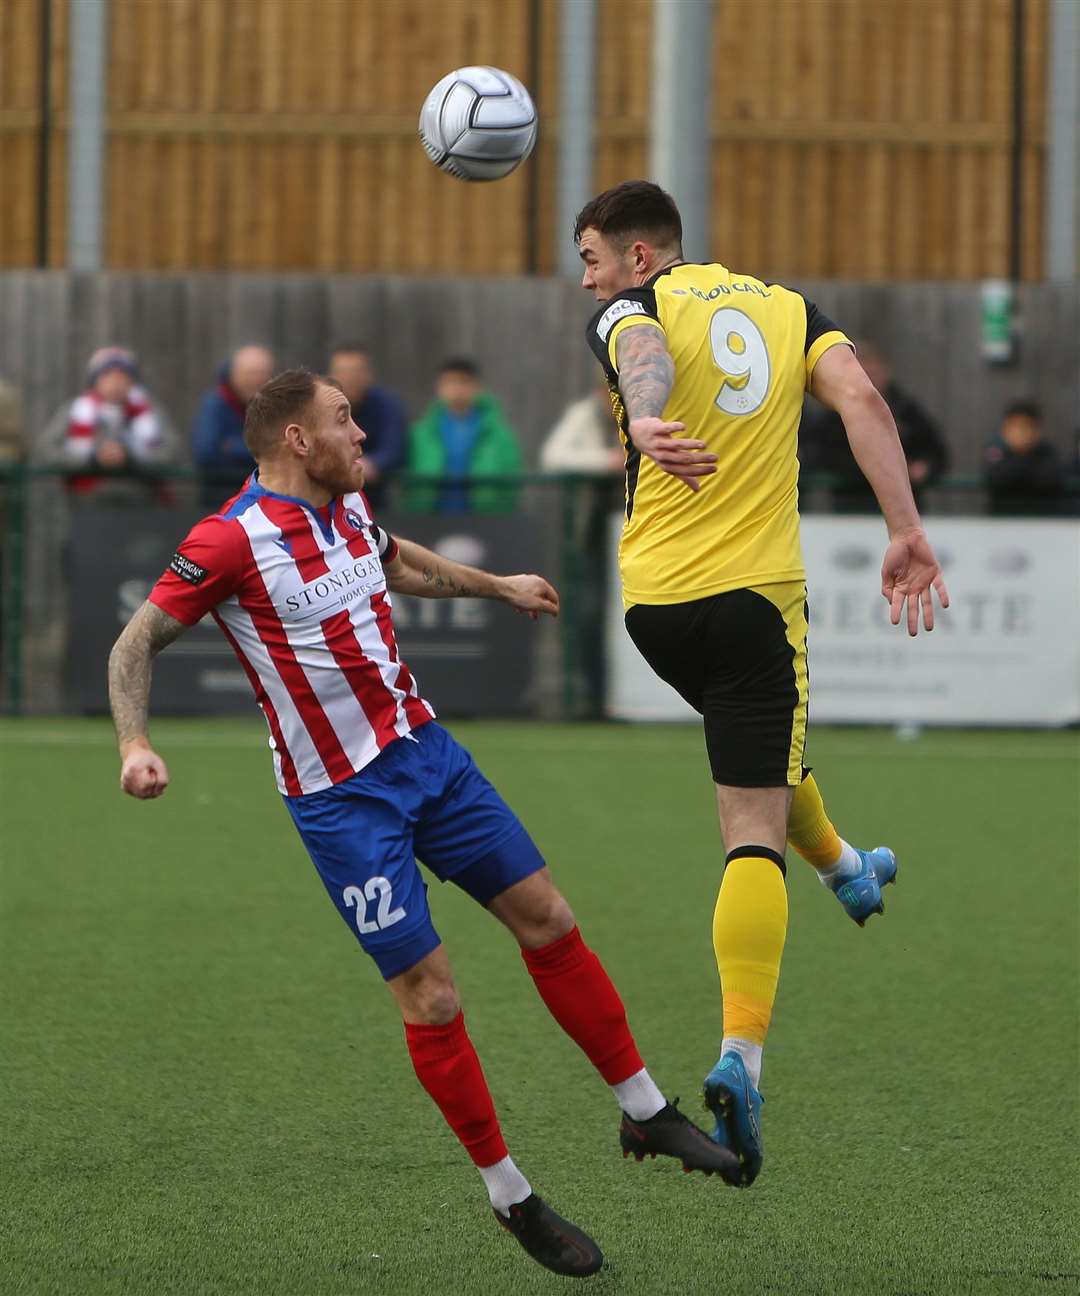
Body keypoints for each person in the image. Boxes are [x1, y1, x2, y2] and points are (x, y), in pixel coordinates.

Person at [107, 369, 738, 1279]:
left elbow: (402, 564)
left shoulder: (350, 508)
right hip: (340, 802)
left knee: (549, 918)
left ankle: (644, 1109)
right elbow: (134, 643)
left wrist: (501, 586)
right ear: (295, 439)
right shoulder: (230, 540)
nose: (360, 433)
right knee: (433, 998)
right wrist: (134, 745)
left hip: (427, 755)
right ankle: (511, 1197)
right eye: (342, 419)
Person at [575, 181, 948, 1187]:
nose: (589, 279)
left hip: (655, 607)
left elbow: (640, 357)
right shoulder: (791, 308)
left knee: (765, 759)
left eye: (595, 260)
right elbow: (863, 401)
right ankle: (742, 1053)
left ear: (641, 259)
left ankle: (843, 869)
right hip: (753, 604)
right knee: (750, 815)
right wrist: (906, 530)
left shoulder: (628, 310)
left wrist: (645, 421)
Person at [800, 340, 949, 512]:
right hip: (853, 508)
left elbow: (937, 453)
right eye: (862, 375)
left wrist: (923, 468)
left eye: (872, 374)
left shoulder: (906, 411)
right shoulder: (834, 416)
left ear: (885, 372)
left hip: (904, 509)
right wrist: (880, 471)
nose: (868, 382)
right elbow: (824, 457)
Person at [45, 347, 174, 498]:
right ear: (95, 380)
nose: (115, 382)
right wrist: (91, 459)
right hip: (84, 504)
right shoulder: (73, 411)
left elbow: (172, 453)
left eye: (122, 376)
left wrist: (132, 458)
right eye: (108, 375)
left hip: (143, 503)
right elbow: (47, 451)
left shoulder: (150, 412)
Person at [404, 358, 522, 513]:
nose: (457, 389)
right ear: (439, 387)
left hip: (485, 521)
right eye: (450, 382)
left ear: (477, 387)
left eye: (463, 382)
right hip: (431, 519)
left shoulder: (499, 435)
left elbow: (512, 478)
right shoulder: (421, 433)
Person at [327, 343, 407, 509]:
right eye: (343, 372)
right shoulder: (319, 408)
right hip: (328, 494)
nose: (350, 378)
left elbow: (394, 447)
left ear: (369, 374)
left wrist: (373, 464)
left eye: (356, 371)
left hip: (375, 495)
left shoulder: (387, 404)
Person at [192, 345, 274, 500]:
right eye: (249, 374)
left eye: (261, 373)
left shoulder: (278, 408)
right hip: (220, 501)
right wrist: (263, 451)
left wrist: (232, 447)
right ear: (233, 374)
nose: (255, 380)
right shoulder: (215, 405)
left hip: (265, 501)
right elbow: (206, 453)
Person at [982, 399, 1065, 517]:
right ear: (1005, 429)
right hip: (1001, 522)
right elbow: (995, 478)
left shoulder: (1047, 451)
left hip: (1042, 522)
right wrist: (1024, 461)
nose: (1020, 432)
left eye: (1026, 427)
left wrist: (1023, 457)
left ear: (1036, 430)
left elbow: (1050, 480)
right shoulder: (996, 449)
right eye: (1015, 426)